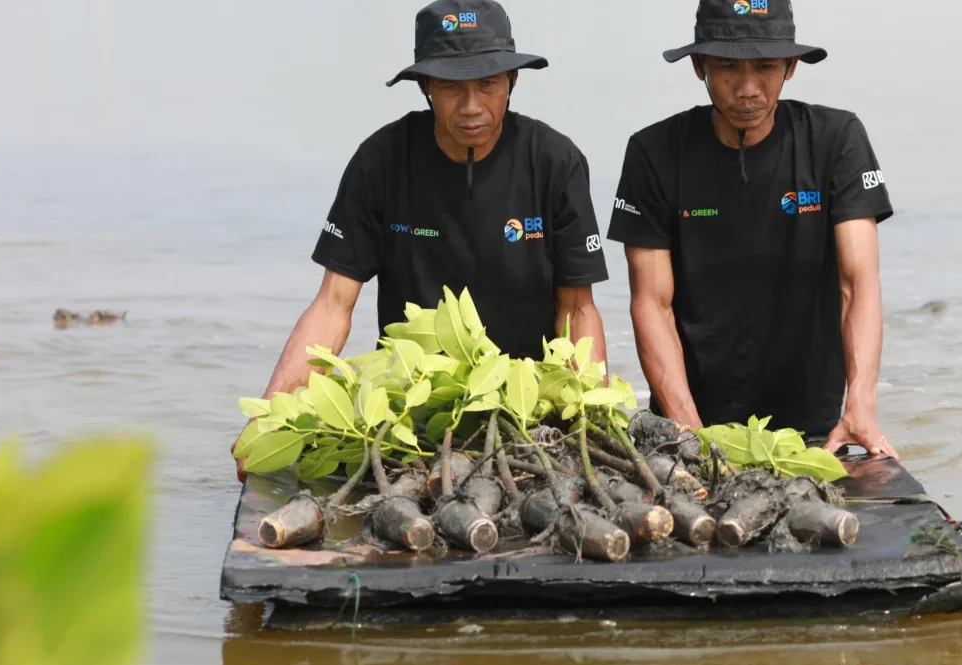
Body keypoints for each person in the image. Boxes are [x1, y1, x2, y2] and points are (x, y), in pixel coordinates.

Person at [232, 0, 610, 481]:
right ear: (426, 87)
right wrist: (269, 415)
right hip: (411, 411)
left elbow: (577, 308)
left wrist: (590, 419)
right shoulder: (381, 160)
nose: (471, 106)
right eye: (452, 87)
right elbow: (332, 304)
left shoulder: (555, 161)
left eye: (488, 85)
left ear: (513, 82)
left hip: (524, 408)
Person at [606, 0, 899, 459]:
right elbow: (651, 303)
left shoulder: (836, 139)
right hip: (692, 425)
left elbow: (857, 283)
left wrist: (860, 403)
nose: (747, 89)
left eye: (765, 67)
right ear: (699, 65)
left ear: (791, 67)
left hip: (816, 426)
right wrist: (688, 430)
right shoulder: (654, 152)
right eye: (727, 67)